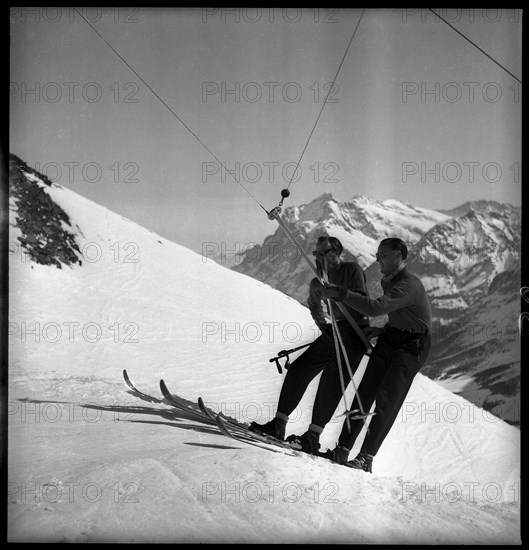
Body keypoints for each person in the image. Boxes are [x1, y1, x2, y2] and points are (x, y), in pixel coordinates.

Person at [318, 237, 432, 473]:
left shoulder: (409, 284)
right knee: (365, 392)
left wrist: (341, 293)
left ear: (399, 256)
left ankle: (366, 458)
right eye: (378, 254)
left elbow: (376, 308)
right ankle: (343, 449)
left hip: (413, 345)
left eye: (383, 255)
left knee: (386, 399)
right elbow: (399, 314)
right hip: (393, 336)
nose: (377, 259)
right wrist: (382, 329)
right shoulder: (389, 280)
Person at [249, 235, 371, 454]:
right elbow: (314, 305)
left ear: (337, 253)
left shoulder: (350, 270)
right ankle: (279, 424)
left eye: (325, 252)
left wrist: (337, 294)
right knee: (299, 369)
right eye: (317, 253)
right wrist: (323, 325)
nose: (319, 257)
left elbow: (361, 299)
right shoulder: (317, 281)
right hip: (334, 331)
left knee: (331, 382)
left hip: (355, 330)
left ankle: (312, 437)